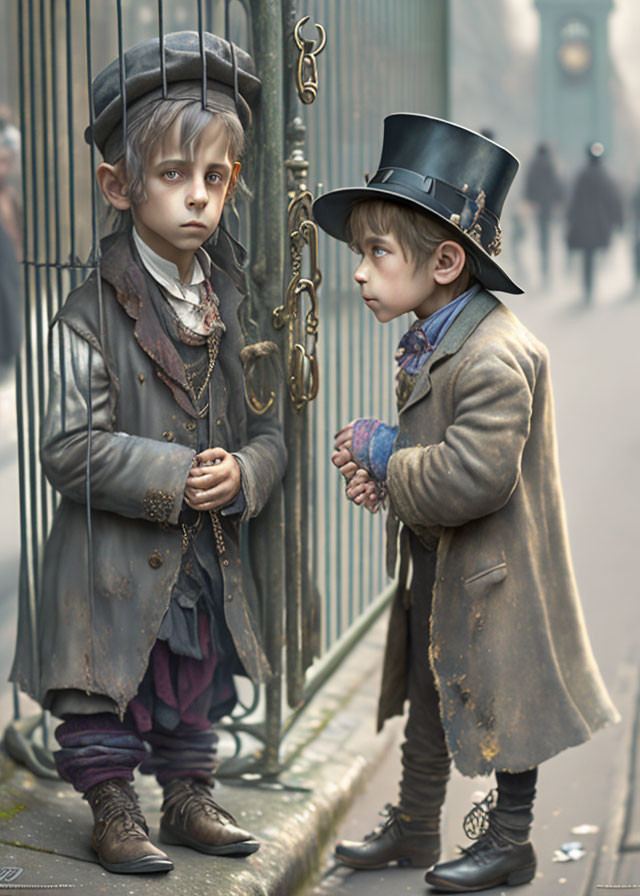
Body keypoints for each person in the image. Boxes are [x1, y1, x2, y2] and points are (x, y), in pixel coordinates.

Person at [313, 114, 619, 893]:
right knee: (427, 693)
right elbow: (432, 461)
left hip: (497, 578)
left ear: (446, 260)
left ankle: (510, 840)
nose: (359, 272)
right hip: (446, 567)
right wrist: (387, 477)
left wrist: (387, 454)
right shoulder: (438, 332)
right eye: (360, 254)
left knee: (507, 708)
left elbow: (474, 477)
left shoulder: (495, 357)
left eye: (376, 254)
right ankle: (416, 825)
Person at [10, 31, 286, 875]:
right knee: (107, 685)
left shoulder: (236, 303)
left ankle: (189, 790)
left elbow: (273, 432)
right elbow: (65, 444)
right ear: (119, 185)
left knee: (192, 677)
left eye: (214, 178)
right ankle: (111, 802)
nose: (198, 198)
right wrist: (175, 474)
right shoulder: (88, 311)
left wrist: (247, 471)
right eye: (174, 175)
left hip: (202, 555)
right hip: (112, 557)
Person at [566, 142, 623, 305]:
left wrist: (570, 219)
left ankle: (588, 288)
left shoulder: (582, 175)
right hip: (600, 223)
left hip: (584, 223)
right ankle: (591, 287)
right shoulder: (606, 176)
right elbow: (614, 200)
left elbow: (574, 200)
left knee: (587, 257)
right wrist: (618, 220)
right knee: (593, 255)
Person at [524, 142, 563, 282]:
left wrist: (529, 200)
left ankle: (543, 264)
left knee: (541, 234)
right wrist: (558, 201)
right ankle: (547, 267)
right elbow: (557, 185)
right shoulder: (551, 165)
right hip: (548, 205)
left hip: (537, 205)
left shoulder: (533, 165)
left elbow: (528, 185)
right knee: (547, 235)